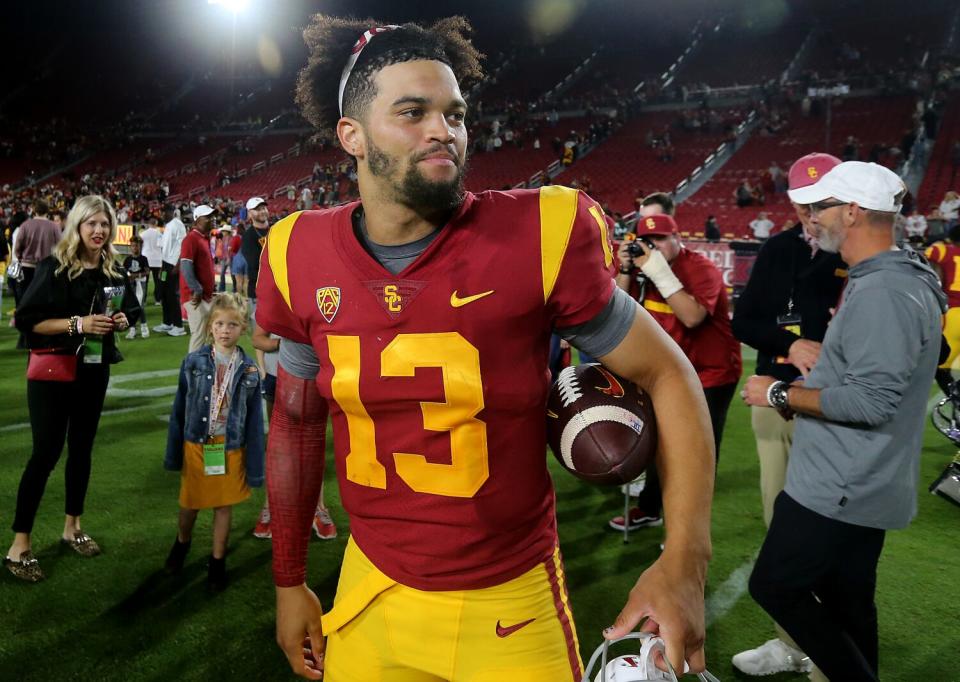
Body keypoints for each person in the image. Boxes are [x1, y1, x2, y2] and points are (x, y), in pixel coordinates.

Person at [258, 16, 715, 681]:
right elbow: (295, 419)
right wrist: (289, 577)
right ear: (350, 136)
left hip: (509, 594)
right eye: (412, 112)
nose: (443, 130)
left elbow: (671, 377)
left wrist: (684, 563)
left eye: (455, 114)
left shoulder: (538, 231)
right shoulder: (297, 251)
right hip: (370, 584)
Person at [742, 161, 945, 682]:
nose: (810, 219)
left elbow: (871, 401)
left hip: (841, 482)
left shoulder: (884, 290)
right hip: (860, 478)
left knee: (775, 584)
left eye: (821, 207)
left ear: (852, 211)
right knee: (849, 602)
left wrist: (779, 392)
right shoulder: (891, 276)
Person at [729, 152, 845, 679]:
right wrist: (790, 344)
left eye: (821, 202)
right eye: (803, 202)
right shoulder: (777, 250)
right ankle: (791, 641)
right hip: (775, 400)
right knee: (781, 523)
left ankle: (832, 651)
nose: (810, 212)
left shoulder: (862, 253)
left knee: (831, 532)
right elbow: (745, 320)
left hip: (839, 410)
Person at [4, 195, 141, 582]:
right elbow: (29, 320)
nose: (98, 231)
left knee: (81, 450)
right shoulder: (54, 267)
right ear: (77, 226)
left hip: (94, 371)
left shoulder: (114, 271)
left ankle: (72, 527)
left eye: (104, 224)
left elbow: (129, 312)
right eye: (91, 224)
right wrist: (77, 325)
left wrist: (121, 322)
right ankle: (19, 544)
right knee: (45, 454)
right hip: (53, 374)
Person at [610, 213, 741, 531]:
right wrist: (627, 269)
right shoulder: (642, 269)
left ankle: (690, 530)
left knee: (695, 450)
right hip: (669, 371)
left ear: (677, 238)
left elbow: (692, 317)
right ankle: (650, 509)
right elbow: (616, 310)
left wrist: (658, 271)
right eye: (648, 241)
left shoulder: (700, 268)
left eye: (663, 239)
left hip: (711, 372)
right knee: (659, 442)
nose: (654, 247)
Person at [163, 293, 265, 591]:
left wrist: (254, 465)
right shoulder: (193, 362)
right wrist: (174, 453)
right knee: (190, 504)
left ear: (243, 327)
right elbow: (179, 410)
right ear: (210, 327)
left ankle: (218, 561)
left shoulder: (248, 371)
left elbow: (255, 424)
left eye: (232, 324)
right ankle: (182, 543)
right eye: (219, 323)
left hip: (230, 448)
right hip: (197, 445)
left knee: (223, 506)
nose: (225, 330)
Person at [249, 327, 337, 541]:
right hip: (276, 375)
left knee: (314, 445)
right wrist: (282, 344)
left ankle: (319, 509)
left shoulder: (316, 295)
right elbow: (258, 339)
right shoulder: (277, 297)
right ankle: (270, 507)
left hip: (313, 376)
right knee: (277, 448)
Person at [925, 223, 960, 394]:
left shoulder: (944, 250)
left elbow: (927, 262)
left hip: (953, 312)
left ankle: (957, 403)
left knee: (939, 365)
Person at [180, 205, 217, 353]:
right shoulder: (191, 239)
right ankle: (192, 371)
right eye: (208, 217)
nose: (212, 219)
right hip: (195, 296)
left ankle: (202, 367)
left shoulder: (202, 238)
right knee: (199, 336)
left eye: (213, 216)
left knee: (206, 335)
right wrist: (197, 288)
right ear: (197, 220)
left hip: (204, 296)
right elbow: (186, 265)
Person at [12, 200, 61, 304]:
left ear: (34, 210)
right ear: (47, 211)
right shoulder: (54, 227)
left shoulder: (25, 225)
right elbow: (60, 248)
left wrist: (21, 257)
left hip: (27, 267)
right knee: (43, 302)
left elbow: (17, 247)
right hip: (47, 269)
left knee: (25, 300)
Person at [154, 205, 186, 337]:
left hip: (173, 265)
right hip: (166, 264)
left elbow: (183, 245)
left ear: (171, 212)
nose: (162, 215)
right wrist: (162, 264)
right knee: (164, 294)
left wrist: (178, 265)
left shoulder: (177, 224)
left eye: (164, 212)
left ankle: (179, 326)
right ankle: (167, 323)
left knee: (172, 295)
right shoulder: (168, 226)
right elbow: (166, 248)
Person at [240, 197, 270, 319]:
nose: (262, 211)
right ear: (250, 214)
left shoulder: (276, 230)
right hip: (259, 292)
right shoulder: (248, 236)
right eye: (257, 209)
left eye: (263, 208)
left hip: (279, 290)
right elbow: (254, 263)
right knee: (260, 334)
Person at [122, 235, 151, 339]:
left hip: (140, 283)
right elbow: (124, 271)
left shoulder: (143, 259)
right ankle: (132, 328)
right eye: (133, 246)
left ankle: (144, 326)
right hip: (130, 284)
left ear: (140, 246)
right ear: (130, 247)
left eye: (137, 246)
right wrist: (129, 276)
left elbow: (147, 271)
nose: (135, 248)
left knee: (140, 305)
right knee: (131, 306)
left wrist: (136, 276)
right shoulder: (127, 259)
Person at [140, 219, 163, 305]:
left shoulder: (143, 234)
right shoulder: (159, 234)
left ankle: (144, 300)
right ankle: (157, 300)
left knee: (144, 280)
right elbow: (161, 246)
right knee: (157, 281)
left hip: (146, 259)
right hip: (157, 260)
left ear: (148, 224)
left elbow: (140, 244)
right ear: (156, 223)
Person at [230, 224, 246, 296]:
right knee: (246, 282)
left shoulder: (236, 238)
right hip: (247, 259)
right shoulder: (247, 236)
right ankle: (246, 299)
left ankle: (239, 298)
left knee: (238, 282)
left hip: (238, 259)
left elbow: (233, 249)